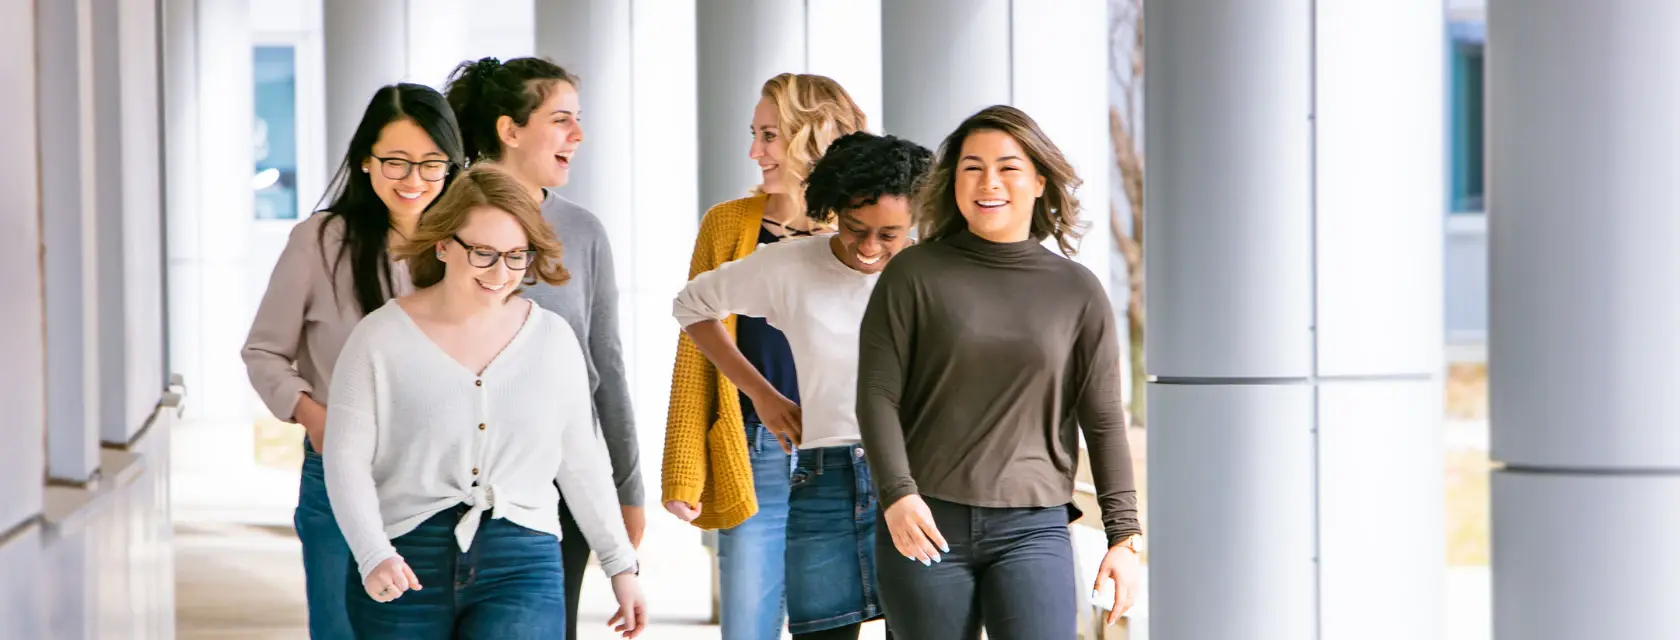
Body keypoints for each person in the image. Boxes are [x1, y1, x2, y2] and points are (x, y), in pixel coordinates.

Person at [856, 105, 1144, 638]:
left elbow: (1102, 420)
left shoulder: (1077, 291)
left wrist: (1124, 539)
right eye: (972, 167)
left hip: (1035, 529)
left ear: (1039, 181)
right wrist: (896, 494)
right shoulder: (913, 273)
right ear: (954, 180)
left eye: (1008, 167)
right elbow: (877, 395)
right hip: (925, 520)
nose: (989, 182)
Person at [322, 165, 646, 639]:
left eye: (517, 256)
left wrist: (622, 566)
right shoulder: (379, 338)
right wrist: (373, 553)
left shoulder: (552, 339)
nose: (501, 273)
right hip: (405, 554)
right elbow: (345, 458)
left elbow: (581, 458)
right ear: (443, 245)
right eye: (483, 253)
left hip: (523, 558)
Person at [672, 132, 928, 640]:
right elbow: (691, 307)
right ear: (833, 209)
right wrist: (763, 396)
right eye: (856, 228)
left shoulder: (933, 272)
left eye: (890, 234)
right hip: (825, 479)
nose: (871, 248)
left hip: (918, 478)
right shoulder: (790, 265)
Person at [242, 83, 463, 638]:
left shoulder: (468, 245)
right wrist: (315, 418)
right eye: (396, 161)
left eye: (432, 163)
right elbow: (264, 349)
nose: (414, 179)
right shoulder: (320, 241)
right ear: (366, 161)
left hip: (445, 476)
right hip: (342, 469)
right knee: (343, 626)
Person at [661, 72, 868, 639]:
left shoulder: (869, 232)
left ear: (815, 136)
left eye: (770, 135)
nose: (755, 151)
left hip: (851, 461)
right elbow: (695, 345)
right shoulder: (728, 224)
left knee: (831, 629)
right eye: (755, 134)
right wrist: (684, 468)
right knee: (748, 627)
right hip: (757, 452)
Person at [443, 56, 642, 639]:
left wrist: (626, 490)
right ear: (510, 130)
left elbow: (605, 368)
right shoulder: (445, 223)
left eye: (577, 120)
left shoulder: (583, 231)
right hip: (459, 482)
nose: (577, 136)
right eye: (561, 120)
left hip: (565, 482)